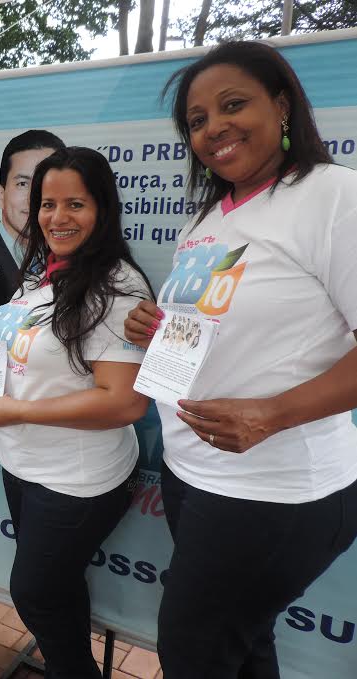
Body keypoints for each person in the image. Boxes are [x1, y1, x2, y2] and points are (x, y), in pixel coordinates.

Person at [123, 41, 357, 679]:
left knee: (195, 653)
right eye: (197, 121)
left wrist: (274, 413)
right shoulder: (207, 221)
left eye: (233, 105)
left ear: (281, 106)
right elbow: (223, 324)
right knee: (243, 645)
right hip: (192, 473)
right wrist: (160, 327)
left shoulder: (334, 196)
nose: (214, 128)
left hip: (274, 492)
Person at [0, 147, 152, 679]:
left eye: (74, 204)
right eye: (47, 204)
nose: (57, 218)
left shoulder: (117, 287)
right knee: (55, 590)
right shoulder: (43, 274)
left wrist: (22, 411)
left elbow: (124, 401)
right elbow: (26, 354)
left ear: (102, 208)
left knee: (34, 594)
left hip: (76, 481)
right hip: (24, 466)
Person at [0, 129, 65, 313]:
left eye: (45, 183)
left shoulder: (73, 258)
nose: (33, 198)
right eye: (23, 184)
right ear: (1, 195)